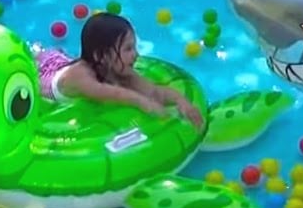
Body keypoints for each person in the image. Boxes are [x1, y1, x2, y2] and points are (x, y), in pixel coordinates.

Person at [33, 12, 204, 130]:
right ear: (101, 56)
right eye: (128, 49)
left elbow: (155, 92)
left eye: (134, 47)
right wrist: (143, 102)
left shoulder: (120, 70)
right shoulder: (81, 77)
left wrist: (181, 101)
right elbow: (110, 93)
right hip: (48, 78)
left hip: (70, 63)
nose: (136, 55)